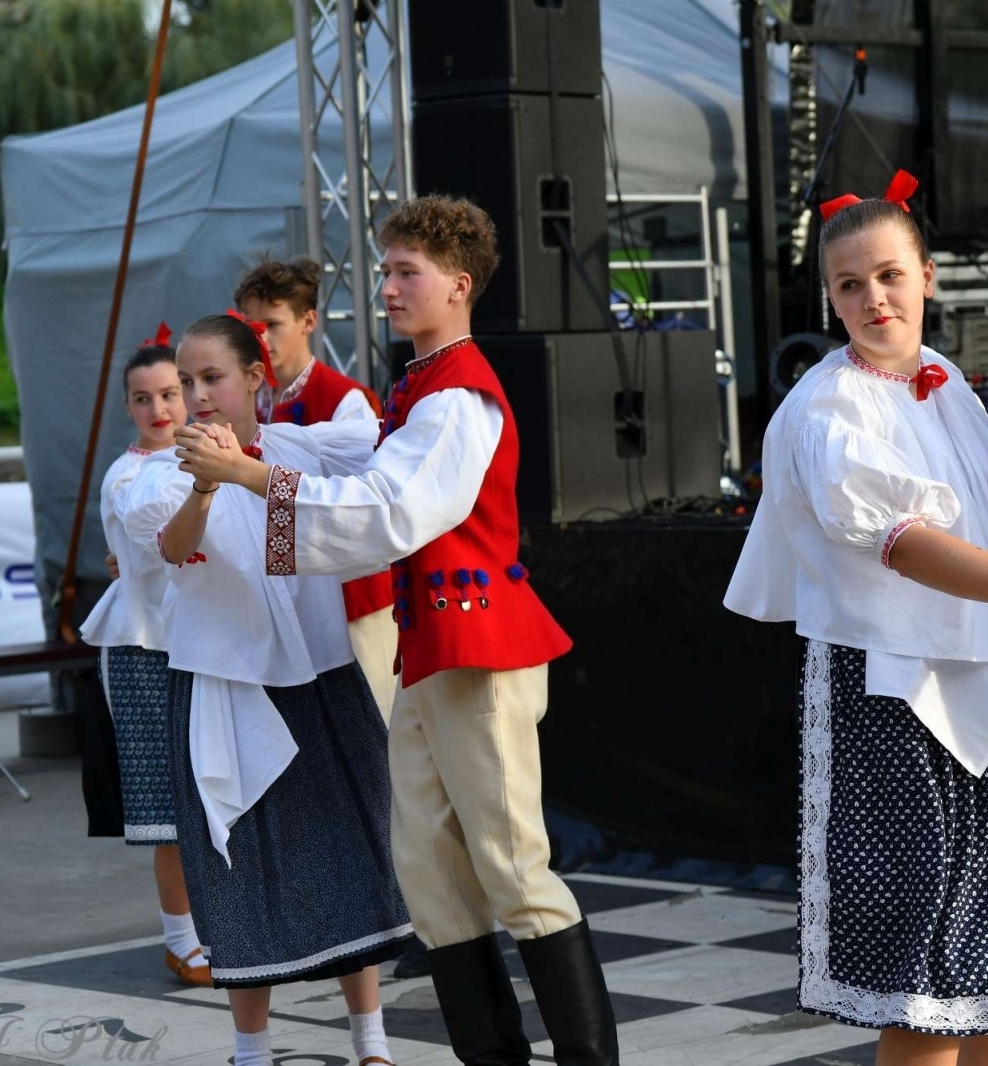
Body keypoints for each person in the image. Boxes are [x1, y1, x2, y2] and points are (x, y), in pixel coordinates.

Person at [173, 194, 620, 1066]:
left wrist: (250, 471)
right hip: (435, 651)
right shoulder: (418, 388)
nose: (387, 286)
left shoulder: (459, 398)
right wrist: (252, 458)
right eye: (384, 270)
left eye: (405, 271)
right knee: (428, 871)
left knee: (514, 866)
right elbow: (347, 457)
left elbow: (394, 506)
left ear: (458, 286)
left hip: (480, 648)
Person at [724, 172, 988, 1066]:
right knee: (921, 986)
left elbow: (987, 478)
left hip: (983, 686)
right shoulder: (826, 409)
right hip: (889, 699)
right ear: (829, 299)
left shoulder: (944, 385)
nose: (874, 298)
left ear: (927, 278)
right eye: (850, 285)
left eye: (889, 275)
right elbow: (904, 541)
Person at [123, 313, 410, 1066]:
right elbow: (171, 548)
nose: (195, 396)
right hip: (225, 683)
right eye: (184, 382)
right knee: (240, 868)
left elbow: (372, 445)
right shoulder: (158, 472)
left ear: (255, 377)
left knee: (353, 846)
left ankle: (370, 1041)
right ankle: (252, 1052)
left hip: (319, 673)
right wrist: (206, 490)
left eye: (210, 377)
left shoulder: (294, 447)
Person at [79, 327, 211, 986]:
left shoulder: (205, 454)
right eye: (143, 397)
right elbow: (166, 541)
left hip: (201, 643)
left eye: (171, 392)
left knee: (213, 794)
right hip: (141, 648)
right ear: (128, 407)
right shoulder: (129, 475)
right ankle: (181, 941)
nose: (159, 408)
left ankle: (215, 929)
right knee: (167, 811)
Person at [235, 259, 397, 721]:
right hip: (281, 602)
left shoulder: (346, 401)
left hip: (354, 602)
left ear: (309, 321)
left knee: (371, 736)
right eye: (251, 326)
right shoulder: (249, 402)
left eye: (272, 324)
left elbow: (358, 508)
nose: (260, 338)